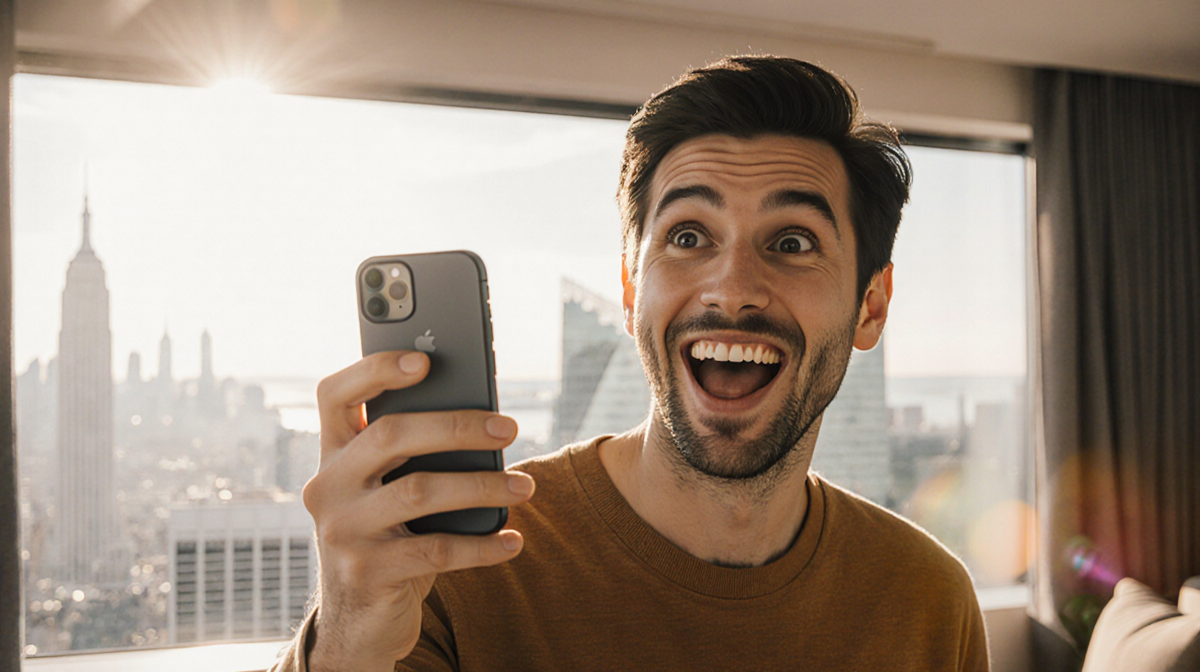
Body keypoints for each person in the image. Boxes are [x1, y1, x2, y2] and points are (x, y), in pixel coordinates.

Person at [272, 55, 990, 672]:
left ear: (870, 306)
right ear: (628, 289)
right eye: (686, 235)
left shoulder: (932, 601)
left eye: (793, 242)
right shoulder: (449, 569)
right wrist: (345, 638)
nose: (732, 289)